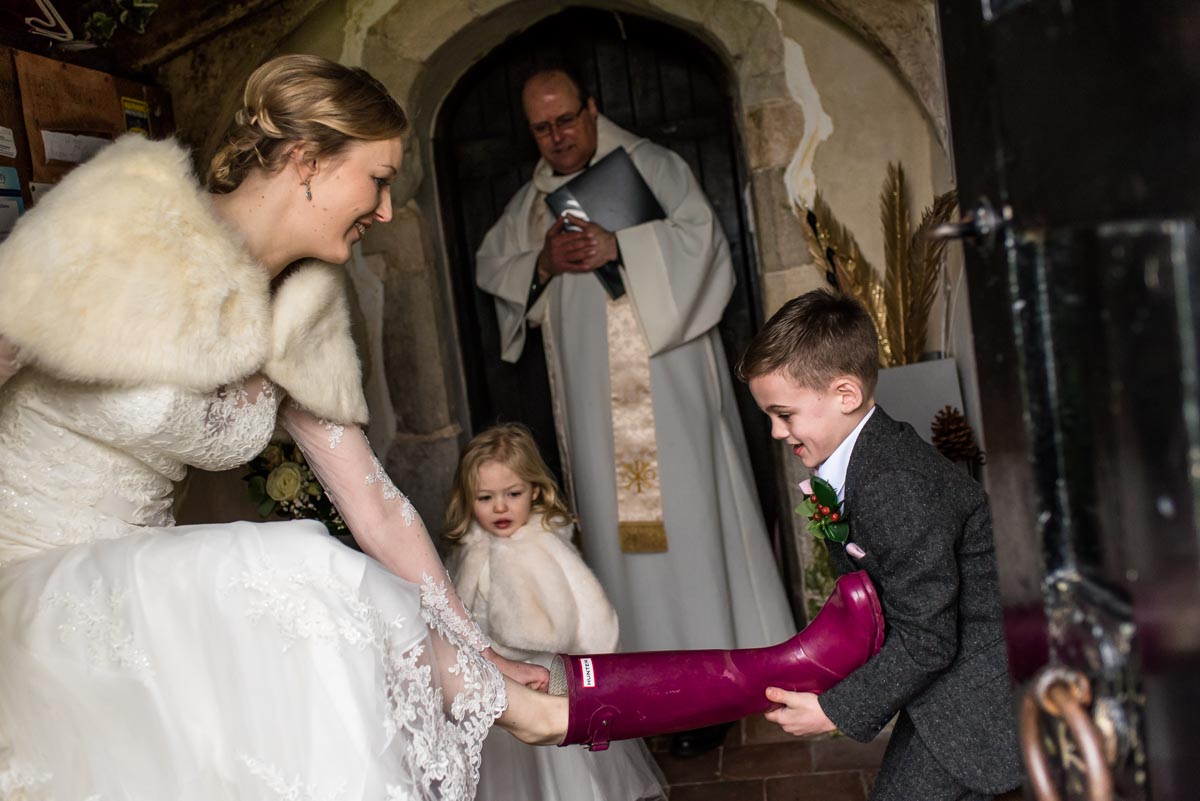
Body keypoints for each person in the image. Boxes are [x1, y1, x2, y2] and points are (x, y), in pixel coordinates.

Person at [0, 54, 568, 801]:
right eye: (378, 179)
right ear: (307, 162)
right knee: (301, 566)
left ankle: (484, 690)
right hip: (26, 575)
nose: (386, 210)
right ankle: (505, 707)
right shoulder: (123, 223)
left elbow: (377, 508)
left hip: (140, 593)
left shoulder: (303, 306)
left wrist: (477, 648)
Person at [475, 64, 794, 756]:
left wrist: (622, 246)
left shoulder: (654, 166)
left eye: (566, 120)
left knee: (691, 525)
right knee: (622, 540)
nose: (557, 137)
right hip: (595, 412)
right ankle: (646, 689)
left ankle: (713, 685)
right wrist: (543, 263)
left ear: (592, 109)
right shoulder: (533, 202)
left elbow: (706, 246)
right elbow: (492, 265)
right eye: (542, 127)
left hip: (671, 396)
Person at [737, 290, 1022, 801]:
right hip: (940, 682)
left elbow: (929, 640)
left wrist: (834, 710)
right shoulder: (863, 460)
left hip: (976, 695)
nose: (777, 432)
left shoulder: (896, 484)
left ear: (845, 394)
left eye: (785, 414)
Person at [444, 424, 666, 801]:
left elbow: (590, 605)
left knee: (559, 764)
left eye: (513, 494)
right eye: (485, 497)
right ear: (467, 499)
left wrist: (600, 662)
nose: (500, 507)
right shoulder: (471, 549)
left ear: (534, 490)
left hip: (546, 676)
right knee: (506, 768)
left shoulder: (545, 544)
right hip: (492, 677)